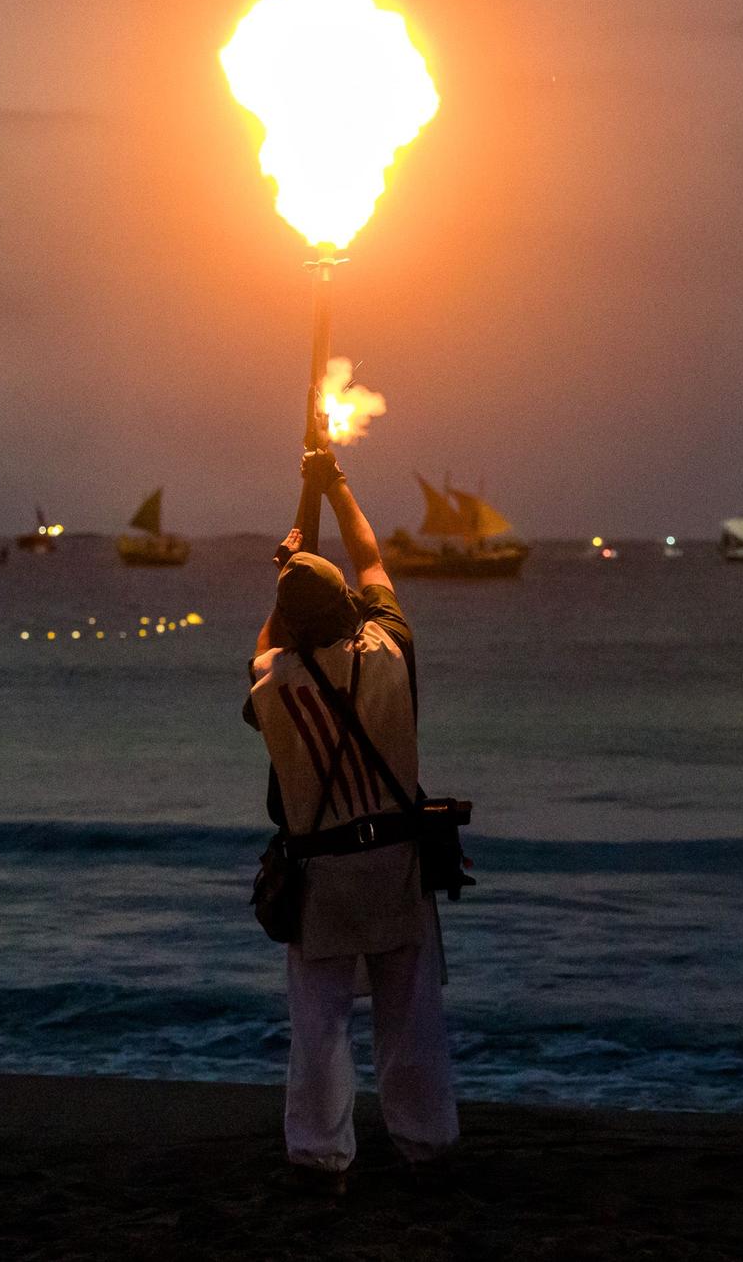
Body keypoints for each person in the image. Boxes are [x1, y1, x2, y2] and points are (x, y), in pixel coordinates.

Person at [246, 448, 459, 1196]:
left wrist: (286, 568)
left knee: (320, 1025)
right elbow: (369, 557)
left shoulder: (275, 683)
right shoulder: (391, 650)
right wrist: (333, 487)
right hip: (400, 868)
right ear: (346, 611)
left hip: (324, 879)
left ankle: (320, 1157)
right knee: (411, 1019)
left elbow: (266, 647)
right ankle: (427, 1145)